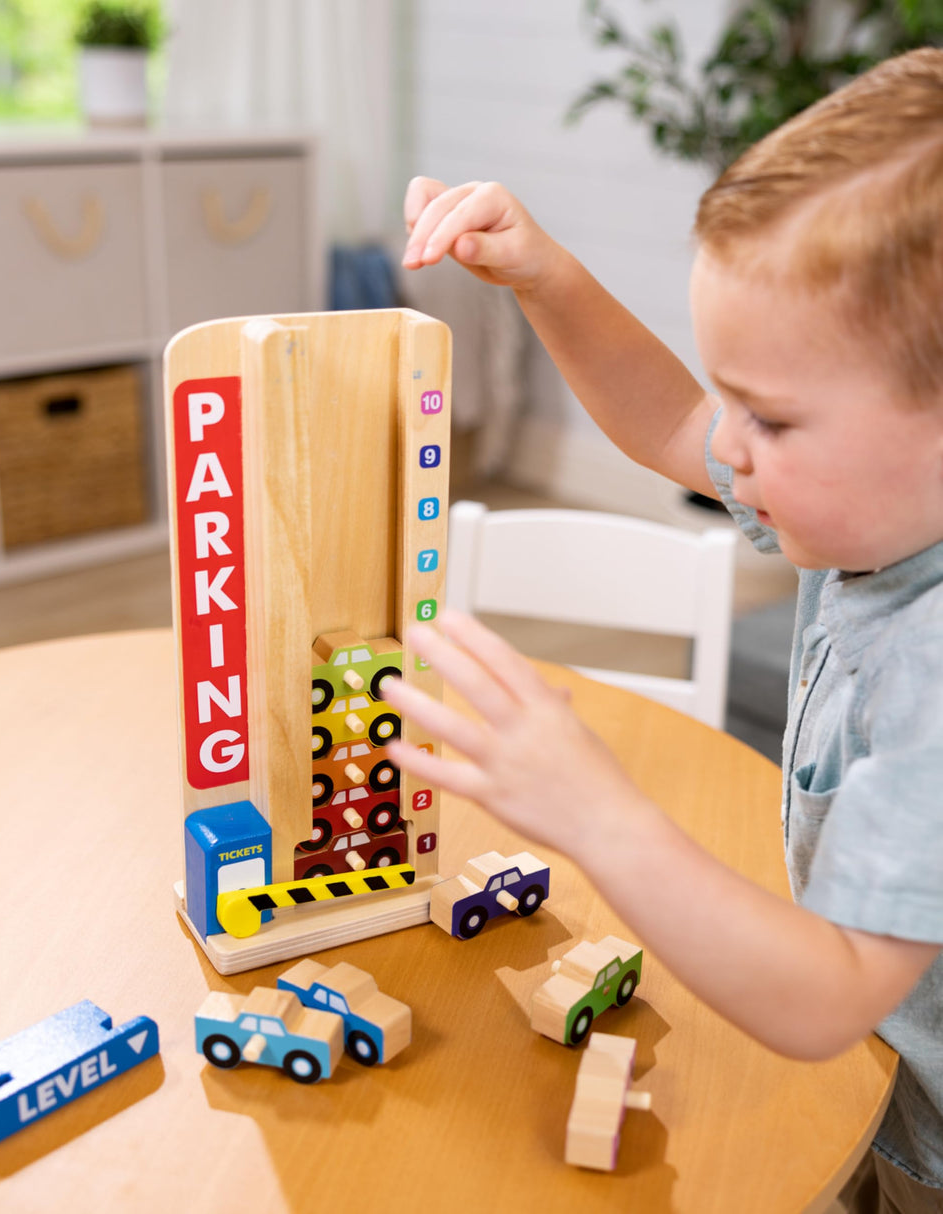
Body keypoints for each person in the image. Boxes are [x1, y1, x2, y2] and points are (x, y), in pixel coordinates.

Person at [384, 47, 943, 1211]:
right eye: (733, 397)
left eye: (768, 417)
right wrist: (544, 274)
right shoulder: (873, 504)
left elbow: (828, 993)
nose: (726, 445)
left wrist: (594, 808)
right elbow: (670, 421)